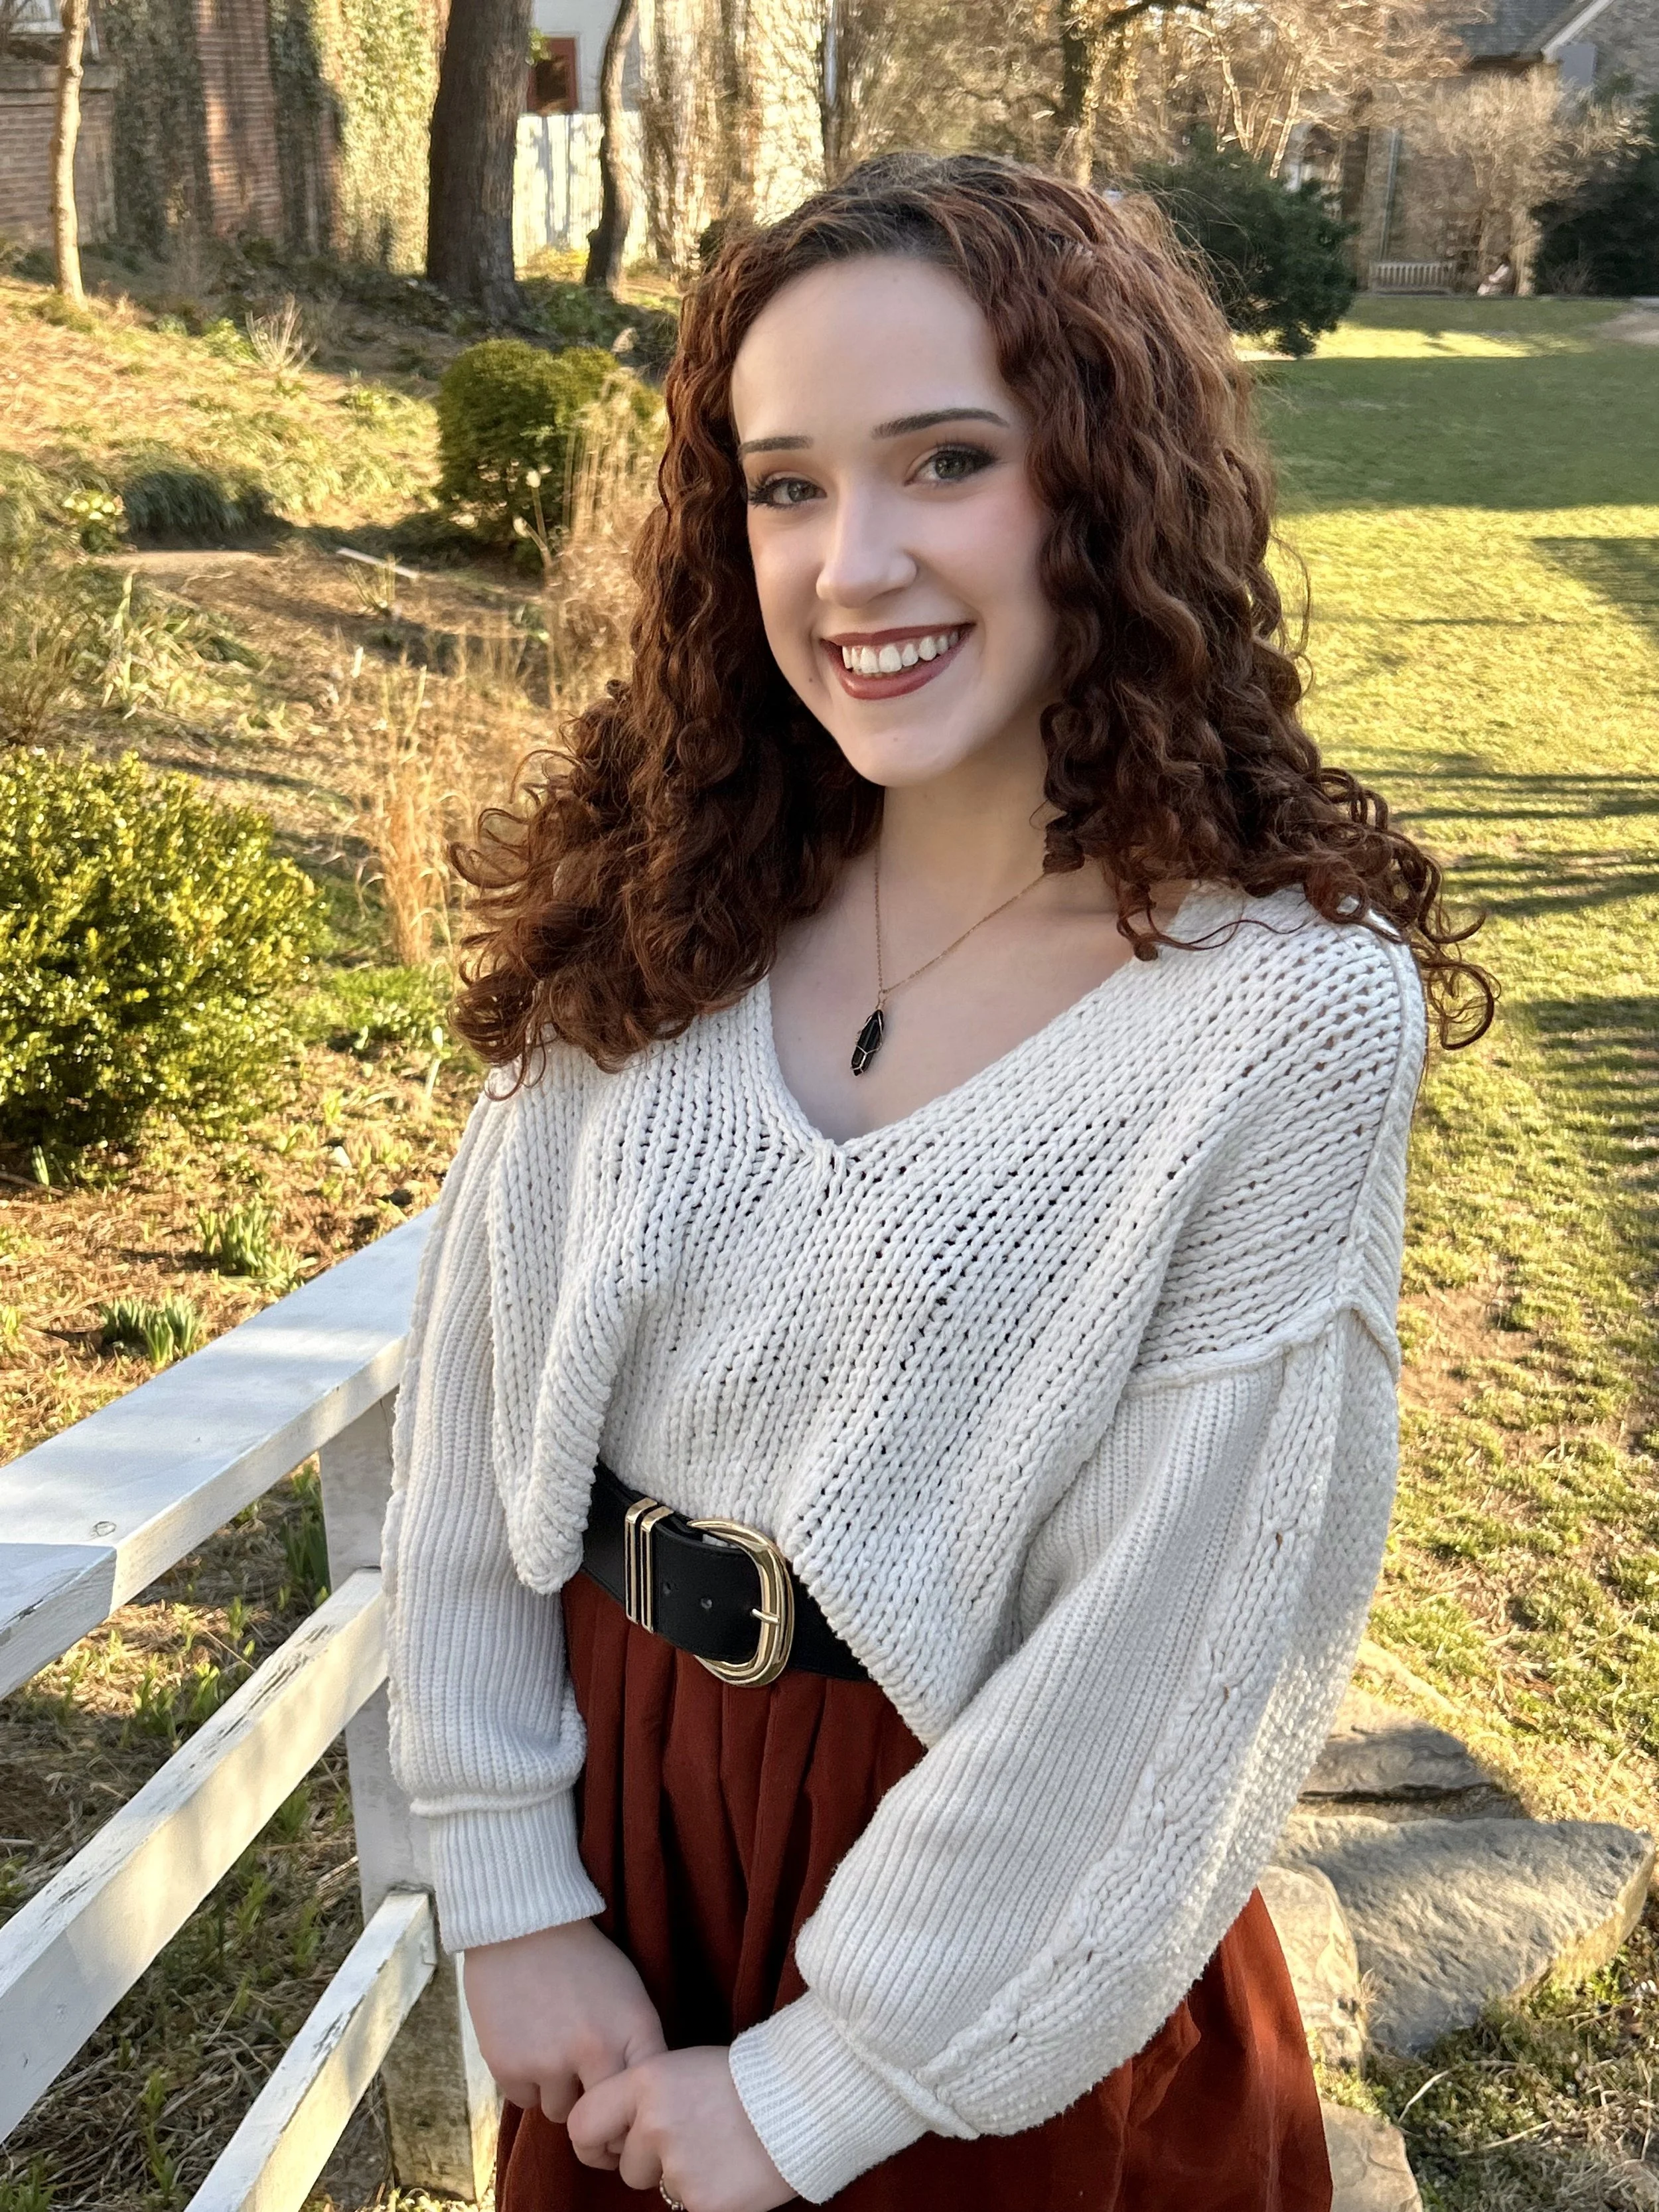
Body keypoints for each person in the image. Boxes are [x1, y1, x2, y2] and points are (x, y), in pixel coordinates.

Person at [384, 151, 1494, 2212]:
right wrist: (504, 1875)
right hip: (622, 1866)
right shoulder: (663, 905)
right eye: (784, 484)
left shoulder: (1276, 1019)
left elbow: (1185, 1642)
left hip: (998, 1946)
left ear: (1108, 483)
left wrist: (838, 2071)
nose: (852, 562)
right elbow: (474, 1413)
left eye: (946, 461)